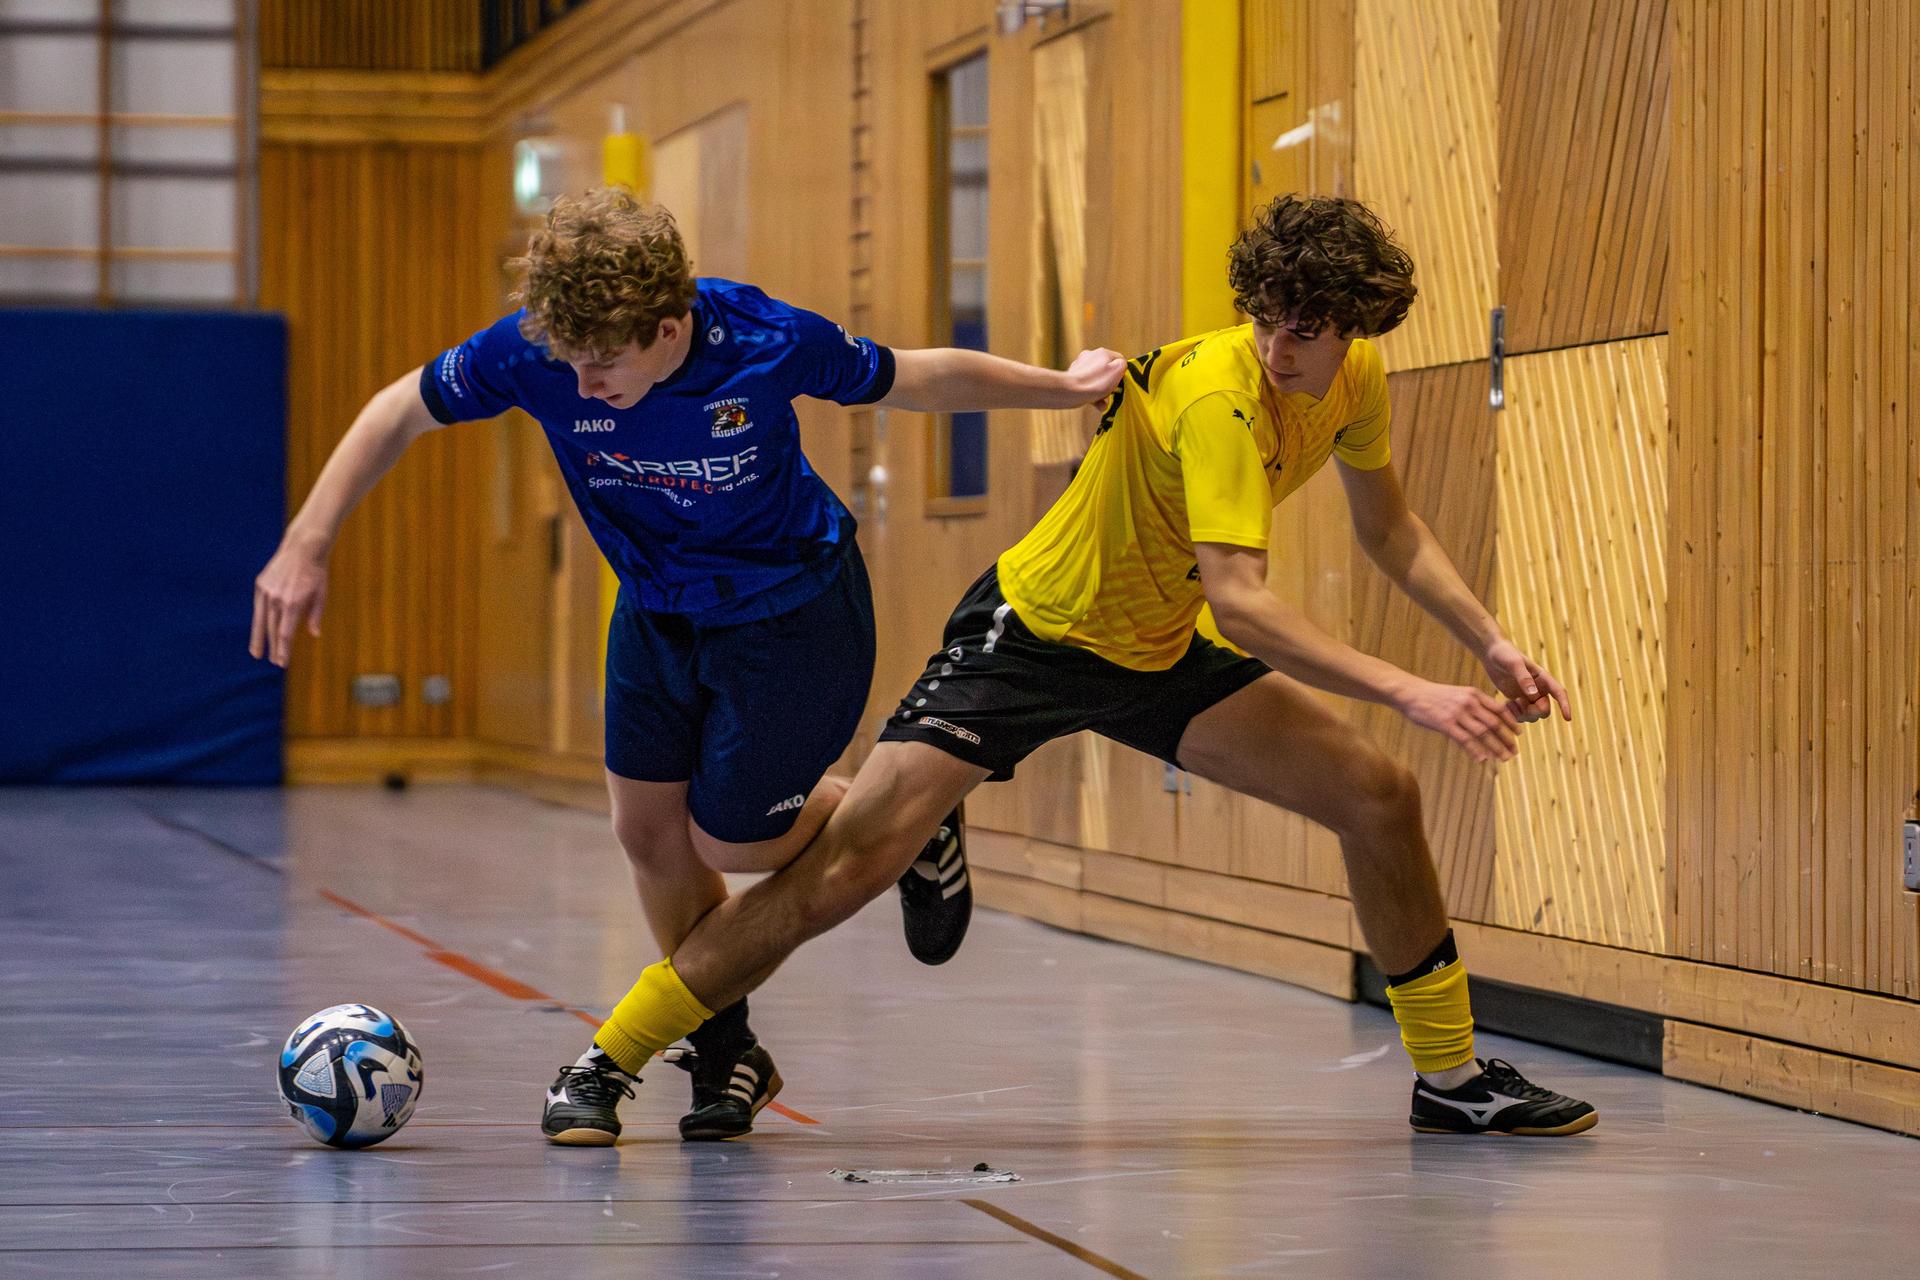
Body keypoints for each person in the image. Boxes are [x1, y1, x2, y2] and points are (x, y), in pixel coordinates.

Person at [550, 194, 1598, 1140]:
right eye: (1267, 317)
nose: (1282, 347)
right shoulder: (1220, 397)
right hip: (1032, 632)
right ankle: (611, 1055)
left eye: (1308, 329)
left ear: (1356, 330)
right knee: (844, 871)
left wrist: (1490, 640)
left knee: (1379, 794)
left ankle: (1452, 1078)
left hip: (1152, 647)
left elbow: (1394, 530)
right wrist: (1413, 688)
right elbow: (1243, 601)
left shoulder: (1353, 379)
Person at [248, 187, 1126, 1146]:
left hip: (792, 615)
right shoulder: (540, 351)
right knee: (647, 833)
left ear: (671, 328)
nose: (582, 390)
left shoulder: (763, 338)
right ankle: (726, 1051)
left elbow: (914, 377)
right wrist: (307, 540)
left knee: (734, 845)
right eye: (569, 366)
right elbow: (397, 409)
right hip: (657, 610)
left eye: (606, 366)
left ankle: (911, 819)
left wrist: (1065, 387)